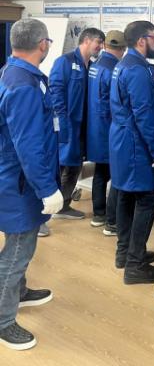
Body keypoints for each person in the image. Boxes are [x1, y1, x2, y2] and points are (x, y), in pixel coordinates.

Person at [0, 19, 63, 351]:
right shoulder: (23, 84)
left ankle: (20, 292)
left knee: (21, 243)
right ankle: (3, 320)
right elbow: (28, 145)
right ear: (42, 44)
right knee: (18, 250)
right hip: (20, 182)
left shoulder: (15, 73)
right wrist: (46, 188)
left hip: (18, 177)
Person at [109, 21, 154, 284]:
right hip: (135, 143)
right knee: (147, 198)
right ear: (142, 40)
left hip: (122, 139)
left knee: (125, 196)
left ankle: (125, 253)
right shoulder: (138, 70)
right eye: (153, 37)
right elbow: (144, 115)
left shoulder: (124, 64)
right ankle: (135, 265)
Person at [49, 27, 105, 222]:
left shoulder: (93, 66)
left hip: (84, 128)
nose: (100, 47)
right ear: (87, 40)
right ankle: (42, 214)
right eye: (98, 42)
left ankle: (63, 205)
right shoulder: (64, 62)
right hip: (66, 125)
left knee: (75, 167)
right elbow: (55, 92)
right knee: (59, 168)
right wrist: (62, 122)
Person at [86, 30, 126, 235]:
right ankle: (112, 220)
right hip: (108, 127)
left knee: (100, 172)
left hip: (95, 126)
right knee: (114, 173)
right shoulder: (114, 68)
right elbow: (117, 101)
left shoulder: (96, 64)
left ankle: (99, 214)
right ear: (122, 48)